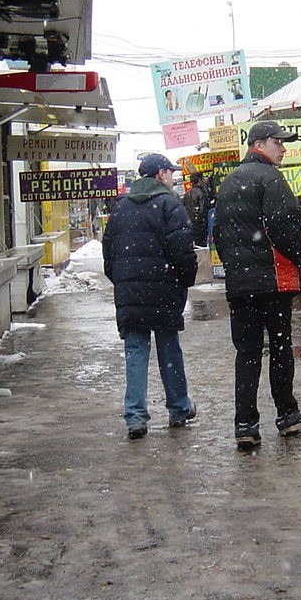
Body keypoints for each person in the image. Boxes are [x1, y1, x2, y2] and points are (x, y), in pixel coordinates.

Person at [213, 120, 301, 450]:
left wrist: (236, 269)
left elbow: (219, 237)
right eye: (278, 142)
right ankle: (287, 415)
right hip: (273, 282)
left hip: (241, 286)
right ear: (260, 144)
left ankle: (245, 425)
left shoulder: (227, 184)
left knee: (247, 353)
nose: (284, 149)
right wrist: (298, 260)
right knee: (280, 349)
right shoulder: (271, 178)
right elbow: (285, 231)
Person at [102, 153, 199, 439]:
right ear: (159, 175)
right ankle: (179, 407)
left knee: (135, 352)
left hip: (130, 293)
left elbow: (109, 255)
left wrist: (124, 281)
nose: (172, 177)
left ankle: (135, 416)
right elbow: (183, 252)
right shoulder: (170, 205)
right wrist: (184, 282)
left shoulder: (120, 209)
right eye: (169, 172)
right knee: (169, 350)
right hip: (165, 291)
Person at [181, 170, 215, 246]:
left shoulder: (187, 194)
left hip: (190, 226)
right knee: (204, 247)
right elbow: (203, 210)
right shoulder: (201, 192)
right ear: (200, 180)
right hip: (201, 226)